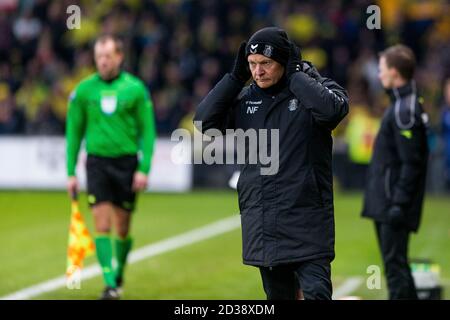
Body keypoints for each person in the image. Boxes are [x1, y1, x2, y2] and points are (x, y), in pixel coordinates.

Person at [194, 27, 349, 300]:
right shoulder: (246, 99)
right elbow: (204, 122)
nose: (258, 72)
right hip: (266, 224)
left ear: (285, 62)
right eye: (252, 65)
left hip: (307, 221)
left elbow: (332, 111)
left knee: (317, 295)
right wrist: (234, 78)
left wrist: (295, 76)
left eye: (265, 63)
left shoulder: (314, 88)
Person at [66, 35, 156, 300]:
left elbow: (147, 131)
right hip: (97, 163)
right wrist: (70, 172)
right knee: (101, 223)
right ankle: (110, 284)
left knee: (123, 227)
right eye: (99, 57)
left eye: (108, 56)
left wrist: (144, 168)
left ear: (119, 57)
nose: (103, 62)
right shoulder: (83, 91)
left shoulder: (136, 89)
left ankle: (118, 274)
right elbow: (74, 133)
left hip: (127, 164)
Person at [361, 44, 429, 299]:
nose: (379, 75)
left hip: (393, 204)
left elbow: (411, 162)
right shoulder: (404, 104)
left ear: (394, 72)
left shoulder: (404, 109)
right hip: (391, 202)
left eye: (381, 69)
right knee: (397, 265)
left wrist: (399, 203)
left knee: (395, 268)